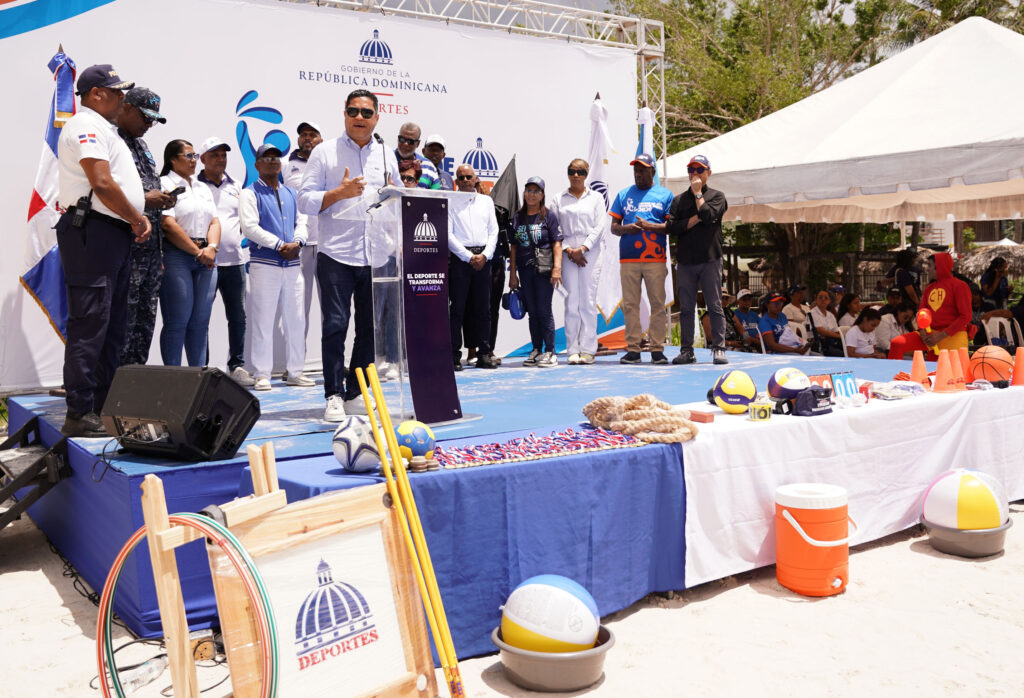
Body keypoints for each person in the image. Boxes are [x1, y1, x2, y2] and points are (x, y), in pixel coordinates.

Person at [55, 64, 149, 436]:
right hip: (93, 232)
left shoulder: (105, 129)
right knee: (91, 323)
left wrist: (132, 219)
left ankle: (102, 406)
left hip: (111, 233)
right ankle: (79, 411)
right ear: (96, 94)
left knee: (112, 326)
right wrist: (136, 218)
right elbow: (102, 183)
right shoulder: (86, 125)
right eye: (116, 91)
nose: (123, 98)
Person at [298, 89, 399, 420]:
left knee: (370, 329)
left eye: (366, 113)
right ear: (345, 113)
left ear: (377, 118)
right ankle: (333, 394)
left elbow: (397, 196)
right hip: (337, 254)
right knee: (335, 325)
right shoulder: (325, 152)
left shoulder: (385, 154)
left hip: (376, 254)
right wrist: (338, 193)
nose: (359, 118)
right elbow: (304, 200)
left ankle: (356, 392)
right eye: (353, 111)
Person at [240, 143, 312, 391]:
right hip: (265, 264)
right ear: (257, 164)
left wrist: (298, 242)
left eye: (276, 158)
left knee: (296, 319)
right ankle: (262, 374)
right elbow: (250, 227)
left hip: (292, 264)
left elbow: (302, 222)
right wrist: (280, 244)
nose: (272, 161)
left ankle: (296, 371)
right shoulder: (250, 193)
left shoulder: (291, 193)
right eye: (266, 158)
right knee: (263, 319)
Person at [115, 86, 173, 367]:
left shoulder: (142, 145)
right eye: (145, 117)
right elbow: (106, 190)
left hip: (150, 252)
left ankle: (135, 381)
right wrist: (144, 198)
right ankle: (111, 384)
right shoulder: (111, 141)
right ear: (126, 107)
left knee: (144, 321)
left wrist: (162, 199)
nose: (149, 124)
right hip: (124, 248)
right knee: (120, 322)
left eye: (154, 120)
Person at [159, 139, 220, 367]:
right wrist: (197, 252)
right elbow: (168, 224)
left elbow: (214, 221)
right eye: (188, 156)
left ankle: (198, 376)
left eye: (195, 156)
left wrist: (211, 248)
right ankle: (173, 377)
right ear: (172, 160)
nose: (194, 160)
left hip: (206, 256)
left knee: (200, 322)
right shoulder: (163, 183)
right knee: (177, 320)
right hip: (177, 256)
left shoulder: (202, 187)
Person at [609, 153, 674, 365]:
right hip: (628, 259)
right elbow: (613, 228)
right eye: (636, 170)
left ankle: (657, 349)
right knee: (630, 305)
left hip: (655, 259)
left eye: (642, 170)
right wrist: (627, 228)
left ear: (652, 171)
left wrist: (649, 226)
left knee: (657, 304)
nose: (638, 174)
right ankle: (633, 349)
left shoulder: (665, 195)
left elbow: (671, 227)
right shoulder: (623, 195)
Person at [198, 137, 251, 386]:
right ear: (203, 159)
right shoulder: (194, 186)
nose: (220, 159)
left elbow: (243, 220)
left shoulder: (237, 186)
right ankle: (204, 367)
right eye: (214, 155)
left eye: (223, 155)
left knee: (238, 317)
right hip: (205, 263)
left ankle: (237, 365)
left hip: (235, 263)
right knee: (202, 318)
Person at [666, 154, 728, 365]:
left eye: (699, 170)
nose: (695, 173)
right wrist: (694, 219)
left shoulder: (717, 196)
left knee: (714, 305)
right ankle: (687, 351)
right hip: (686, 262)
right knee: (686, 308)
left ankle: (718, 348)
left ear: (708, 173)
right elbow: (671, 227)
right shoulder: (678, 200)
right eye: (691, 169)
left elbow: (709, 215)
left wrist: (698, 194)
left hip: (710, 260)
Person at [549, 158, 605, 364]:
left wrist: (583, 248)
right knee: (571, 301)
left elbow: (600, 226)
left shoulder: (596, 198)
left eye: (580, 172)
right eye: (572, 171)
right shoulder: (558, 199)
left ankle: (588, 349)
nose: (575, 175)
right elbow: (554, 227)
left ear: (586, 174)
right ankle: (572, 349)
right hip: (566, 252)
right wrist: (569, 250)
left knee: (588, 301)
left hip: (591, 252)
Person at [448, 165, 500, 370]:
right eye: (461, 177)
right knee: (457, 309)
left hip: (484, 259)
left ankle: (484, 353)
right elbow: (448, 234)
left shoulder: (486, 201)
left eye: (468, 177)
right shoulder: (450, 200)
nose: (465, 180)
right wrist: (469, 257)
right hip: (461, 260)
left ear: (476, 179)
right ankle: (454, 355)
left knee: (483, 309)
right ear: (456, 181)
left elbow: (493, 231)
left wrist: (485, 255)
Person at [509, 177, 563, 367]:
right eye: (528, 191)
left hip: (544, 270)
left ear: (542, 195)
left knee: (544, 310)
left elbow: (557, 243)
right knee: (532, 311)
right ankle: (536, 349)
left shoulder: (549, 216)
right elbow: (513, 247)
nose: (531, 194)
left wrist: (557, 269)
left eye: (536, 191)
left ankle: (550, 351)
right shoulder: (518, 217)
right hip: (525, 270)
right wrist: (513, 274)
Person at [283, 121, 324, 345]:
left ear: (321, 139)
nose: (307, 138)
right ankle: (297, 359)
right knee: (299, 306)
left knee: (331, 308)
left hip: (327, 243)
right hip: (299, 244)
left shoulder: (329, 163)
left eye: (312, 134)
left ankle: (332, 360)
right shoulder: (285, 165)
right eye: (303, 134)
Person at [887, 253, 973, 359]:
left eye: (930, 265)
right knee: (897, 343)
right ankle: (893, 370)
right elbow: (922, 312)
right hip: (930, 335)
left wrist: (941, 335)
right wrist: (922, 331)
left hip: (953, 335)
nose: (927, 269)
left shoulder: (960, 286)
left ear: (939, 266)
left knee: (944, 368)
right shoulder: (929, 288)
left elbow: (966, 317)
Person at [394, 122, 440, 189]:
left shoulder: (429, 166)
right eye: (402, 139)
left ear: (418, 144)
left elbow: (437, 194)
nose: (405, 144)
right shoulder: (386, 160)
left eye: (410, 141)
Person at [807, 289, 844, 356]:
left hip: (831, 343)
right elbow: (821, 331)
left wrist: (839, 336)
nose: (823, 299)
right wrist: (840, 336)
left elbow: (836, 331)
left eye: (826, 298)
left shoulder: (830, 315)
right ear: (816, 299)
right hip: (818, 345)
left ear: (829, 301)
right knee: (842, 354)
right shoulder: (812, 313)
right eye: (820, 297)